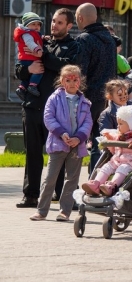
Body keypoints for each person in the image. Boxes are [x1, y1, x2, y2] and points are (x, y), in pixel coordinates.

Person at [15, 8, 80, 208]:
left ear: (69, 26)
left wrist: (42, 57)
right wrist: (28, 69)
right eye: (53, 21)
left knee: (59, 153)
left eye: (60, 23)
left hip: (58, 112)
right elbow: (20, 68)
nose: (54, 25)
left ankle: (58, 195)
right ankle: (31, 195)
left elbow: (66, 67)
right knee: (32, 153)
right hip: (33, 107)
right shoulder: (38, 40)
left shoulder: (73, 46)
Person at [29, 65, 92, 221]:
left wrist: (78, 137)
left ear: (80, 81)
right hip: (58, 143)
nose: (72, 83)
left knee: (71, 179)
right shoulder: (54, 98)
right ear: (62, 81)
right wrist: (62, 133)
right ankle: (42, 210)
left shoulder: (84, 102)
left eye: (75, 79)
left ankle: (65, 211)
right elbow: (48, 117)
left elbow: (88, 122)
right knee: (50, 178)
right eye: (68, 79)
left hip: (77, 146)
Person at [75, 2, 117, 173]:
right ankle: (97, 182)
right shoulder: (110, 39)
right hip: (108, 97)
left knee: (79, 141)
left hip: (88, 98)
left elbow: (80, 71)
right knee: (100, 142)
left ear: (80, 18)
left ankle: (76, 186)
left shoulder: (84, 40)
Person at [81, 105, 132, 196]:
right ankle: (96, 184)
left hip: (131, 162)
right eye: (118, 123)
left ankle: (111, 186)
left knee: (123, 168)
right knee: (106, 167)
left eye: (121, 124)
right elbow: (114, 150)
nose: (118, 126)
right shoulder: (120, 135)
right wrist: (109, 138)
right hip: (117, 160)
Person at [14, 12, 44, 99]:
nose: (36, 26)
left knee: (29, 75)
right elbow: (30, 43)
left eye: (38, 24)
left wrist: (44, 37)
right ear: (27, 26)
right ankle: (32, 86)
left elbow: (37, 38)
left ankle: (22, 88)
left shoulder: (33, 33)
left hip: (28, 59)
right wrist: (37, 49)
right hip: (28, 58)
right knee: (39, 70)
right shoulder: (27, 34)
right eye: (33, 24)